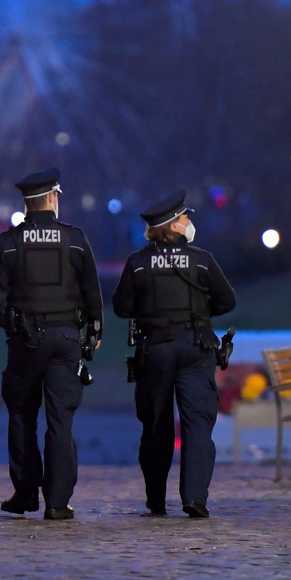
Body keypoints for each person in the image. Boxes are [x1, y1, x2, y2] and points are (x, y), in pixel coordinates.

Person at [0, 168, 103, 520]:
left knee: (21, 413)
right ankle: (58, 502)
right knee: (61, 419)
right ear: (51, 197)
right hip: (66, 339)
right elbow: (92, 291)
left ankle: (26, 492)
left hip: (25, 341)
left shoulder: (8, 242)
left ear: (27, 202)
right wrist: (95, 330)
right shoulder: (74, 239)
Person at [112, 190, 236, 518]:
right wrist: (199, 313)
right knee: (197, 423)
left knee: (156, 424)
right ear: (173, 226)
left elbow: (121, 307)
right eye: (185, 217)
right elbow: (228, 301)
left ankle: (156, 499)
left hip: (155, 348)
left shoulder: (138, 263)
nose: (189, 221)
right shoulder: (202, 259)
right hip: (196, 346)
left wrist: (151, 312)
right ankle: (194, 498)